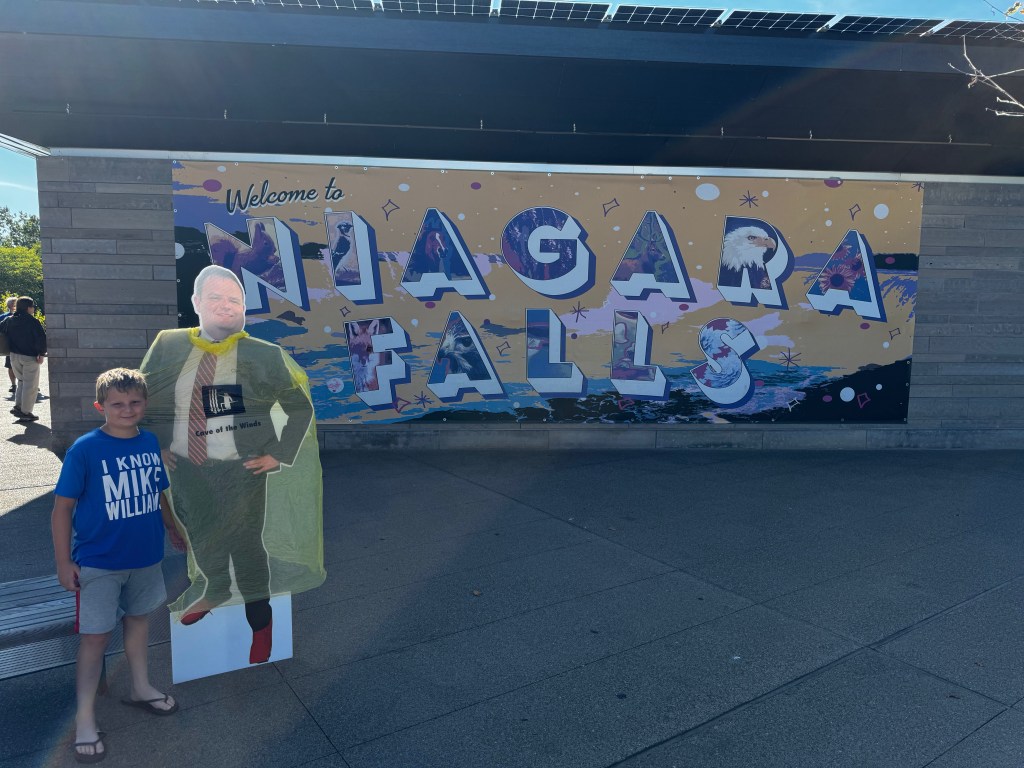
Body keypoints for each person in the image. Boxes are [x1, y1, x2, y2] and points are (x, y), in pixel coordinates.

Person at [140, 265, 316, 665]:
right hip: (186, 468)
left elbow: (298, 407)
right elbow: (146, 400)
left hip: (241, 470)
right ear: (196, 302)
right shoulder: (169, 345)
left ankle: (260, 624)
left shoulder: (264, 354)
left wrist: (278, 453)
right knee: (202, 535)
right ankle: (216, 588)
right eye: (215, 297)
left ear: (244, 308)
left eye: (234, 300)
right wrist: (158, 444)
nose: (225, 305)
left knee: (247, 546)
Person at [51, 368, 182, 764]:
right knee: (95, 638)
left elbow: (158, 492)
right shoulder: (85, 449)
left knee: (139, 620)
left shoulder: (149, 442)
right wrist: (63, 561)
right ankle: (84, 719)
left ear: (145, 403)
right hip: (99, 563)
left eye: (135, 402)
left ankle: (140, 687)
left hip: (145, 557)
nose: (127, 410)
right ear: (100, 407)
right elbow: (62, 509)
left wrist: (172, 526)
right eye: (118, 404)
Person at [0, 296, 46, 421]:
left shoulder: (9, 319)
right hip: (29, 357)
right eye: (32, 306)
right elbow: (41, 339)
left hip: (14, 356)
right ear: (28, 308)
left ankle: (18, 407)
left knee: (21, 381)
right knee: (30, 385)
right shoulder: (33, 322)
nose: (34, 309)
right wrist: (41, 354)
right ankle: (26, 412)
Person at [1, 296, 16, 394]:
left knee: (25, 366)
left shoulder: (23, 315)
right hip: (9, 346)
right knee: (10, 366)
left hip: (22, 345)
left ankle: (30, 384)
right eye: (14, 303)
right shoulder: (3, 317)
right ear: (10, 305)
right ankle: (13, 384)